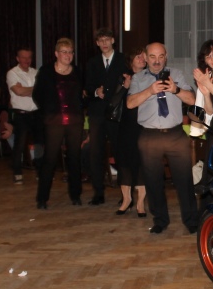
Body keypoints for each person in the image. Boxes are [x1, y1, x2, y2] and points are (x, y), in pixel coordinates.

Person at [126, 42, 197, 235]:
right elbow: (130, 103)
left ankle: (191, 220)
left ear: (166, 56)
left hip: (175, 134)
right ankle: (160, 220)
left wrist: (175, 90)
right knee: (153, 180)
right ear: (145, 57)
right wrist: (150, 91)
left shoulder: (177, 74)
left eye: (160, 56)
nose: (157, 61)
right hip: (149, 135)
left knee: (184, 179)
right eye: (152, 57)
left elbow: (192, 100)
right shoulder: (138, 78)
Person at [33, 38, 85, 209]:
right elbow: (37, 95)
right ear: (56, 54)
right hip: (54, 120)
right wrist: (49, 111)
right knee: (50, 158)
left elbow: (82, 94)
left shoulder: (77, 71)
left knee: (74, 158)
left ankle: (76, 195)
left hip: (75, 120)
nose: (68, 55)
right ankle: (42, 198)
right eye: (64, 52)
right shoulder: (46, 71)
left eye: (70, 52)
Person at [84, 28, 125, 206]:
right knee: (96, 153)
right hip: (98, 113)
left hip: (117, 113)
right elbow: (87, 87)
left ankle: (126, 194)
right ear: (97, 43)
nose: (104, 43)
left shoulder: (123, 60)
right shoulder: (92, 62)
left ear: (113, 40)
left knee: (120, 152)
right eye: (101, 40)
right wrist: (95, 91)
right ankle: (98, 193)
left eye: (107, 39)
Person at [115, 47, 147, 217]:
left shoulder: (150, 77)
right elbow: (112, 102)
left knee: (141, 162)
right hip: (126, 126)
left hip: (144, 125)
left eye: (143, 56)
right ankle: (126, 200)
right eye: (138, 57)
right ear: (131, 61)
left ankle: (140, 202)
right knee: (125, 162)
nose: (142, 59)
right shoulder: (124, 77)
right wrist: (124, 87)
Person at [6, 48, 43, 185]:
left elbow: (43, 91)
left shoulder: (36, 72)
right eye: (23, 57)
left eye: (29, 57)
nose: (27, 60)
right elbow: (19, 92)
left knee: (40, 144)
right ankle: (17, 172)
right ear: (18, 58)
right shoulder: (12, 73)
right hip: (21, 114)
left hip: (36, 113)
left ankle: (40, 172)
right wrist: (35, 89)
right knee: (19, 144)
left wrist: (27, 90)